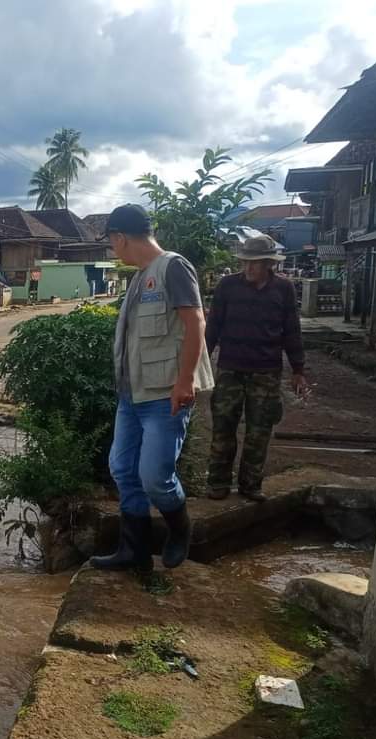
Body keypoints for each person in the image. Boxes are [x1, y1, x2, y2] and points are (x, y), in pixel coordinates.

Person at [91, 204, 216, 572]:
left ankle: (180, 530)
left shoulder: (173, 268)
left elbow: (195, 324)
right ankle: (134, 551)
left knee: (155, 477)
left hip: (165, 395)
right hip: (132, 396)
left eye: (112, 242)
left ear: (120, 238)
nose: (114, 249)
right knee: (122, 469)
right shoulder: (138, 279)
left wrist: (185, 380)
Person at [205, 235, 307, 502]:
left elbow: (292, 331)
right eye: (245, 263)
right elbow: (212, 327)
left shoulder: (283, 289)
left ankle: (251, 485)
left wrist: (298, 369)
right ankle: (217, 484)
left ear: (268, 264)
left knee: (259, 431)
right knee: (223, 428)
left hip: (266, 372)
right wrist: (200, 363)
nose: (248, 268)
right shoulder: (227, 286)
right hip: (230, 369)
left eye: (255, 264)